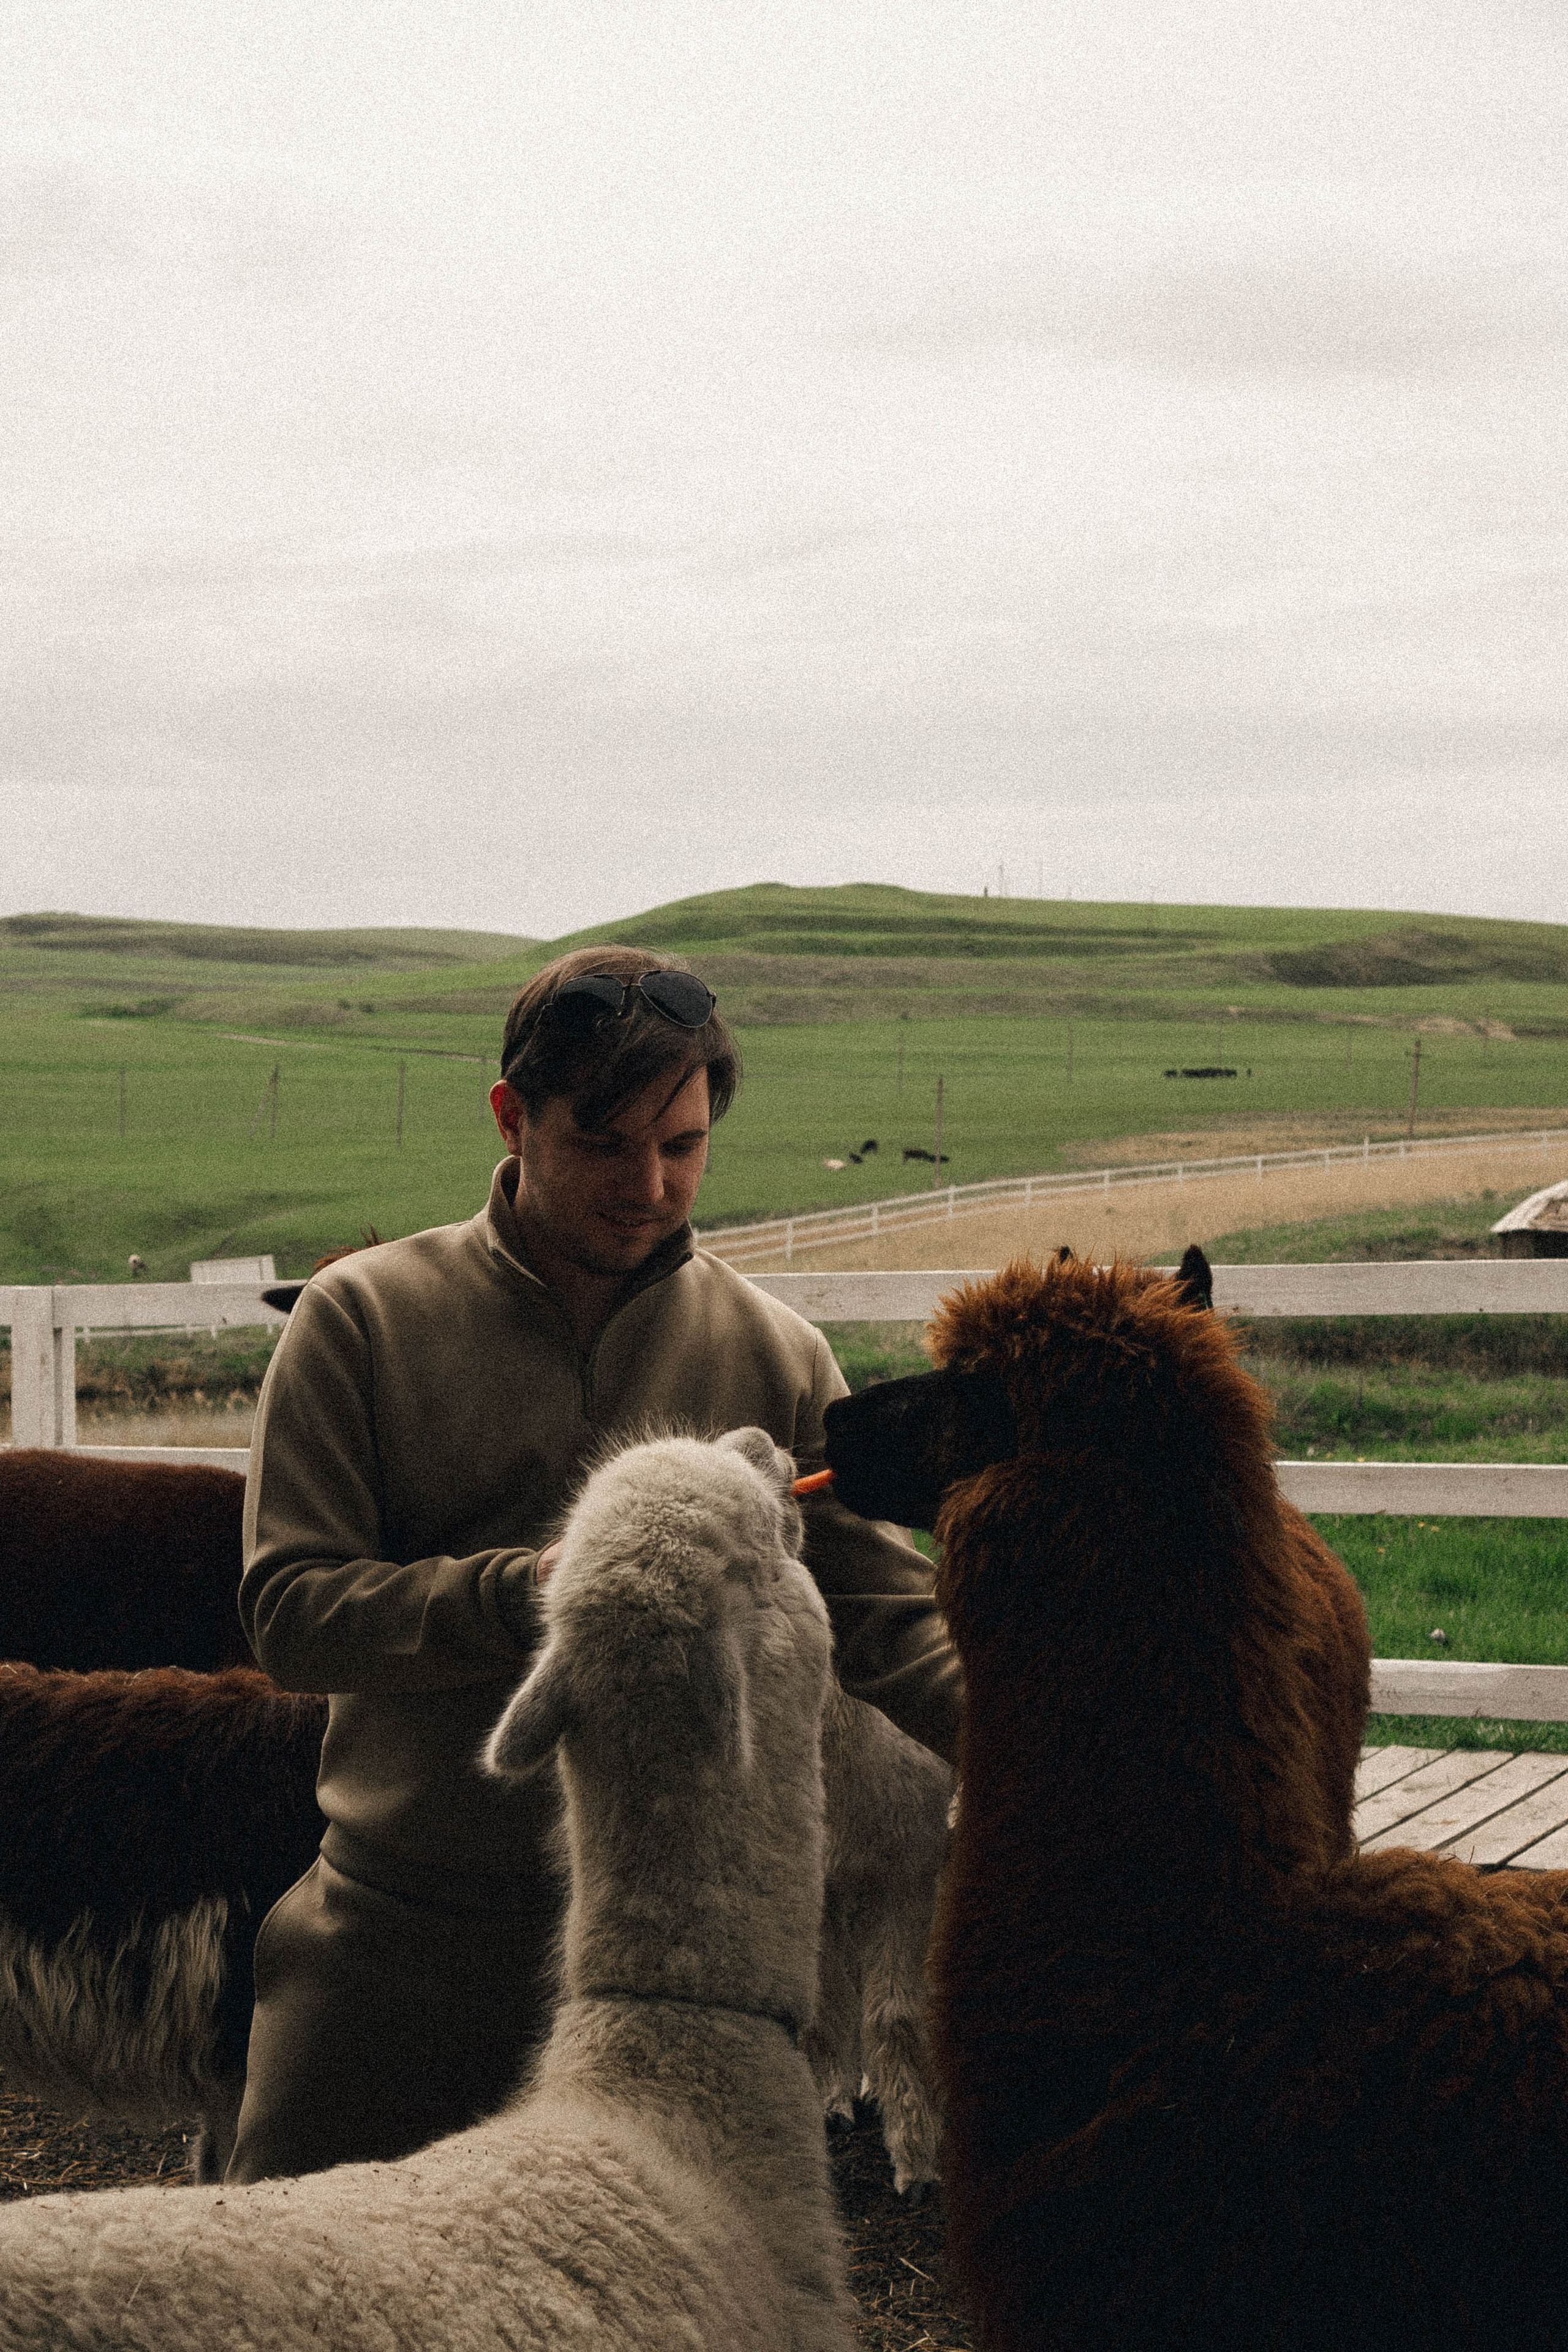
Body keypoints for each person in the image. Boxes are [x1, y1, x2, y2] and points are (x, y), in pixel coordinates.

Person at [227, 941, 961, 2185]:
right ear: (513, 1118)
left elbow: (891, 1621)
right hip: (397, 1946)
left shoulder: (771, 1352)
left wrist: (1082, 1754)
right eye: (606, 1143)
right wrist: (542, 1592)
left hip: (676, 1983)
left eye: (681, 1146)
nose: (651, 1185)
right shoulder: (357, 1320)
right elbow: (292, 1616)